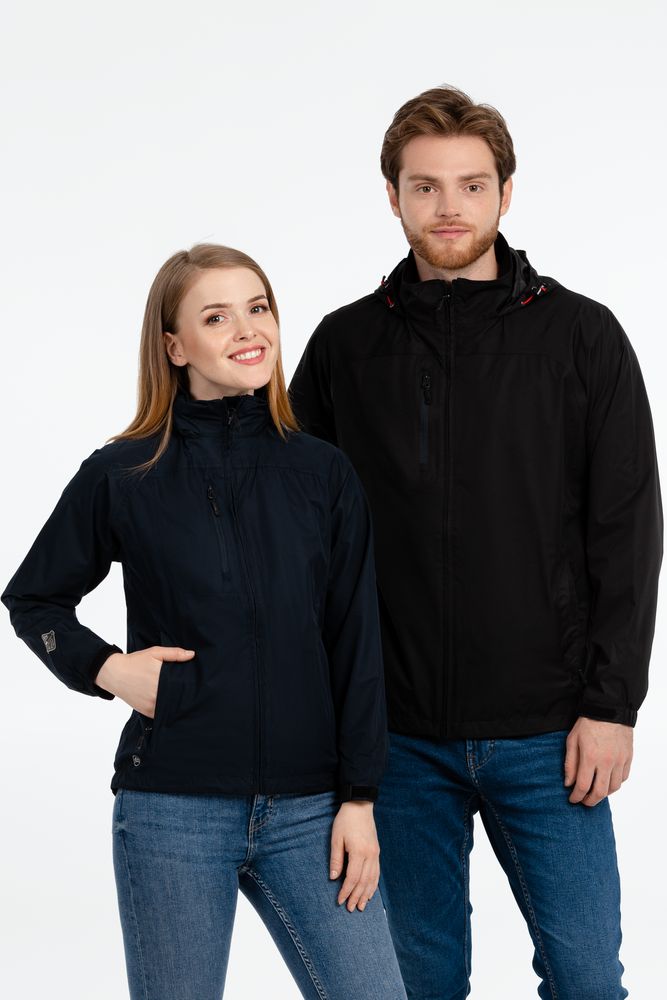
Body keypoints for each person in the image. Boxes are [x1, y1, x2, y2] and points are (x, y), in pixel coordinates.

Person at [288, 86, 663, 999]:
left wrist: (611, 704)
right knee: (419, 984)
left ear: (505, 192)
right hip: (393, 737)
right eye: (424, 186)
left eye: (470, 184)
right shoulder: (345, 345)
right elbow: (295, 529)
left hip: (550, 732)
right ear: (392, 196)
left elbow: (627, 527)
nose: (447, 206)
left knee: (585, 978)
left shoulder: (580, 336)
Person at [2, 244, 407, 1000]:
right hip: (172, 810)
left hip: (311, 812)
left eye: (258, 308)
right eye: (216, 317)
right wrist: (107, 668)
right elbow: (34, 600)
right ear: (175, 346)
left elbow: (355, 643)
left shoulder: (322, 473)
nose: (247, 330)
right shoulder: (123, 473)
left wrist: (359, 799)